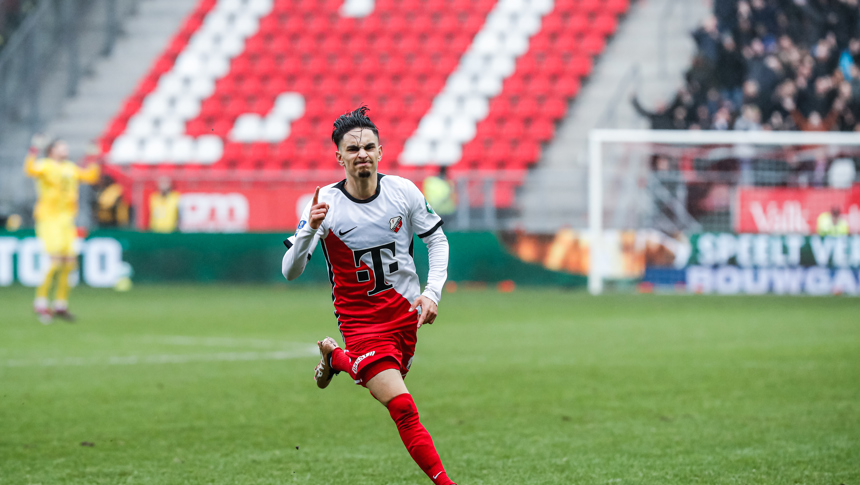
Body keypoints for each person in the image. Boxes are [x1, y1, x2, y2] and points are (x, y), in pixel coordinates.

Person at [281, 107, 455, 485]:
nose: (362, 153)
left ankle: (336, 357)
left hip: (406, 316)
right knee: (403, 408)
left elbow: (436, 240)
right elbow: (289, 270)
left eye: (368, 146)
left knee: (385, 378)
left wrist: (432, 293)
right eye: (353, 148)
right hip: (361, 322)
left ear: (380, 152)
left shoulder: (404, 192)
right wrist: (310, 229)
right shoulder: (324, 204)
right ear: (339, 156)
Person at [23, 135, 100, 323]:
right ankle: (40, 302)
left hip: (67, 221)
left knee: (69, 263)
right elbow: (29, 169)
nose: (66, 149)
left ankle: (60, 305)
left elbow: (91, 176)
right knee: (55, 261)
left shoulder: (70, 168)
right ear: (52, 150)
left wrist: (93, 158)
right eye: (61, 147)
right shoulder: (45, 165)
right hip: (49, 219)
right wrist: (33, 149)